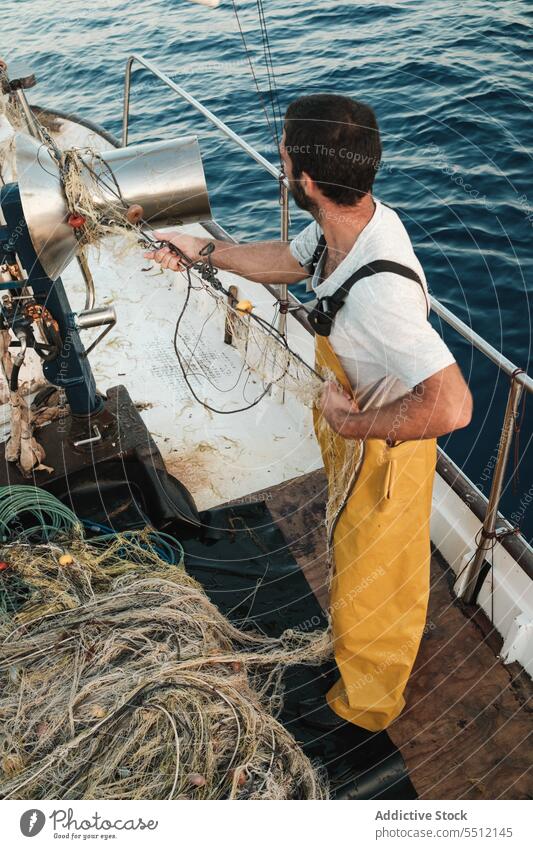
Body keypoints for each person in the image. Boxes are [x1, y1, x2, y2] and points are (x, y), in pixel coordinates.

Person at [145, 94, 473, 734]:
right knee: (382, 563)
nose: (279, 163)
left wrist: (353, 425)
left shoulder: (381, 294)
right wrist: (199, 249)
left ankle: (367, 708)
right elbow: (293, 264)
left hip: (383, 449)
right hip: (360, 429)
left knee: (367, 575)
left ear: (310, 182)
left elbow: (453, 404)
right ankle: (378, 655)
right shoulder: (346, 226)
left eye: (285, 157)